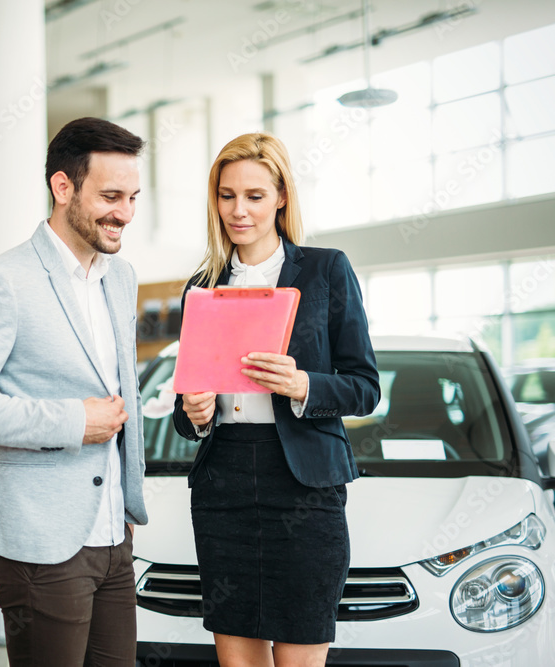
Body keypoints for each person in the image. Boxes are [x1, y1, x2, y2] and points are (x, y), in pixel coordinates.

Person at [0, 117, 149, 667]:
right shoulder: (4, 281)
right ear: (63, 187)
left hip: (111, 532)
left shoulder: (120, 278)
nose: (124, 212)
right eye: (110, 196)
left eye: (132, 197)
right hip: (38, 540)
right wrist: (71, 422)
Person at [172, 133, 380, 667]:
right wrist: (194, 414)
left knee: (300, 651)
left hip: (305, 488)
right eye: (226, 195)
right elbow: (187, 402)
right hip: (224, 486)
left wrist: (303, 385)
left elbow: (364, 387)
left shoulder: (325, 270)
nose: (238, 210)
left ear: (282, 196)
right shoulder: (202, 284)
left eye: (255, 196)